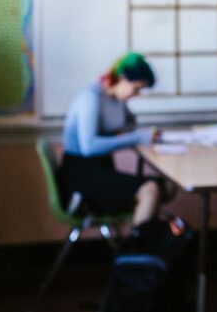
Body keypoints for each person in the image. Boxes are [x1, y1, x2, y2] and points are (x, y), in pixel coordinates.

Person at [61, 52, 161, 226]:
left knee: (164, 186)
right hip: (82, 174)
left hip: (101, 168)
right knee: (150, 189)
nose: (136, 94)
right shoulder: (90, 98)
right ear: (122, 78)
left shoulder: (115, 99)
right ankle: (138, 249)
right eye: (136, 88)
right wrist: (136, 138)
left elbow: (128, 125)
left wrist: (141, 134)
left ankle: (143, 243)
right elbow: (89, 147)